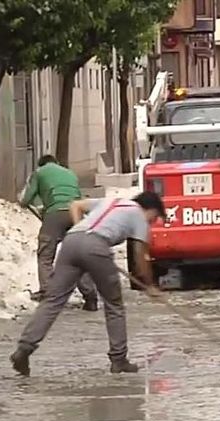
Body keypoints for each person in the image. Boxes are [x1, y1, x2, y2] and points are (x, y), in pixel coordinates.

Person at [10, 191, 165, 376]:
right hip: (96, 245)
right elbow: (140, 255)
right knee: (113, 304)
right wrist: (149, 285)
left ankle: (24, 349)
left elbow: (76, 205)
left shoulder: (111, 201)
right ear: (151, 209)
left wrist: (83, 233)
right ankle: (119, 360)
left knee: (52, 301)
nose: (151, 223)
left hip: (71, 241)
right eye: (154, 218)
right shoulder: (139, 215)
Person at [19, 154, 98, 310]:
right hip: (76, 215)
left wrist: (24, 200)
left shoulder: (39, 173)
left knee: (45, 255)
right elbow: (76, 197)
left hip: (55, 214)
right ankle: (91, 297)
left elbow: (26, 199)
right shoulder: (69, 173)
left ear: (41, 165)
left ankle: (49, 294)